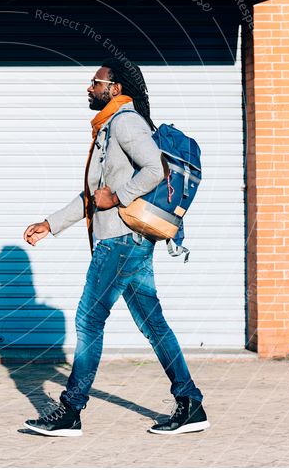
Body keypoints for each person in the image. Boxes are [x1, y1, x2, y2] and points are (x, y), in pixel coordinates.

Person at [21, 56, 209, 436]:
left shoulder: (125, 122)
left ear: (115, 88)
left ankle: (70, 411)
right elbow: (93, 195)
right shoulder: (109, 127)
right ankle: (190, 404)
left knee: (89, 321)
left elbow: (156, 169)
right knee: (153, 323)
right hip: (129, 241)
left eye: (95, 82)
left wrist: (118, 197)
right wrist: (51, 223)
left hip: (121, 240)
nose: (89, 88)